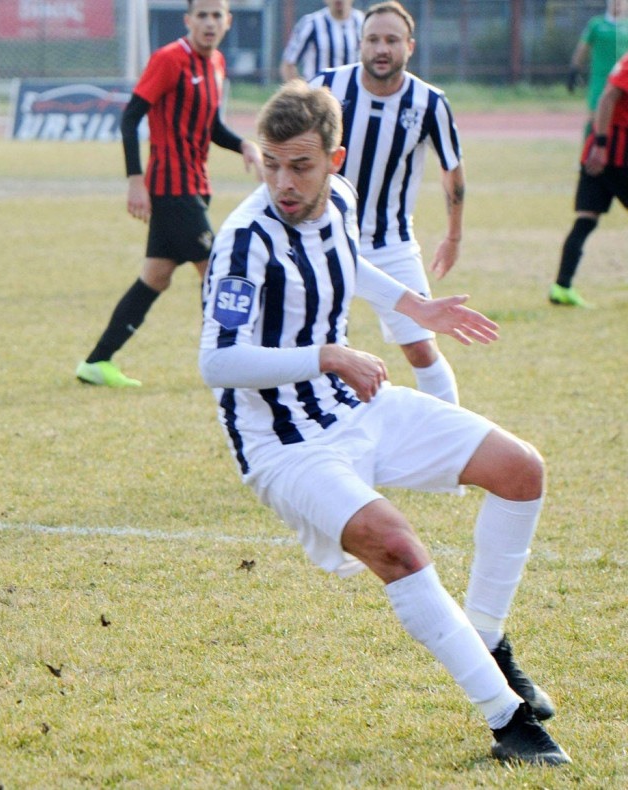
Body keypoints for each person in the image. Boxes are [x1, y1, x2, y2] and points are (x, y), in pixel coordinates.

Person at [198, 79, 569, 767]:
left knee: (521, 470)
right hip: (284, 445)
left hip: (352, 407)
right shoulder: (244, 239)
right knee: (396, 543)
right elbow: (216, 362)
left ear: (334, 160)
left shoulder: (338, 199)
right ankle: (508, 720)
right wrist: (329, 354)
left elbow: (345, 262)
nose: (283, 180)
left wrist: (416, 307)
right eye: (273, 163)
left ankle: (485, 635)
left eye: (301, 165)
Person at [75, 0, 261, 388]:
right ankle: (226, 362)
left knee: (156, 277)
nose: (209, 23)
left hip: (196, 186)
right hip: (172, 189)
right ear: (188, 20)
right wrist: (134, 181)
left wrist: (243, 144)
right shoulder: (169, 59)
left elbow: (210, 125)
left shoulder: (216, 64)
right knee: (215, 270)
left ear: (227, 22)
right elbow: (130, 118)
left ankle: (97, 362)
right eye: (202, 15)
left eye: (216, 16)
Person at [311, 2, 463, 405]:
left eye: (391, 40)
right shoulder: (325, 87)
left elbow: (453, 172)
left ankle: (452, 445)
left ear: (409, 46)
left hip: (390, 243)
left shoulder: (429, 102)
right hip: (324, 239)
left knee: (421, 349)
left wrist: (453, 237)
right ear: (360, 44)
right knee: (309, 345)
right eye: (373, 39)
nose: (382, 48)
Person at [554, 43, 628, 308]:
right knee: (586, 219)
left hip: (599, 149)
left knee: (586, 219)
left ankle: (561, 287)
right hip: (614, 151)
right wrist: (601, 143)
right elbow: (608, 97)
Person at [567, 0, 628, 117]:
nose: (617, 4)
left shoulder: (627, 24)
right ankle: (593, 135)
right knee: (595, 116)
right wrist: (574, 69)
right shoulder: (596, 24)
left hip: (623, 79)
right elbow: (582, 48)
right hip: (600, 78)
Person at [280, 0, 364, 82]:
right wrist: (301, 92)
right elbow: (288, 65)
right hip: (317, 92)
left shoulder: (362, 22)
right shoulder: (312, 23)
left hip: (351, 93)